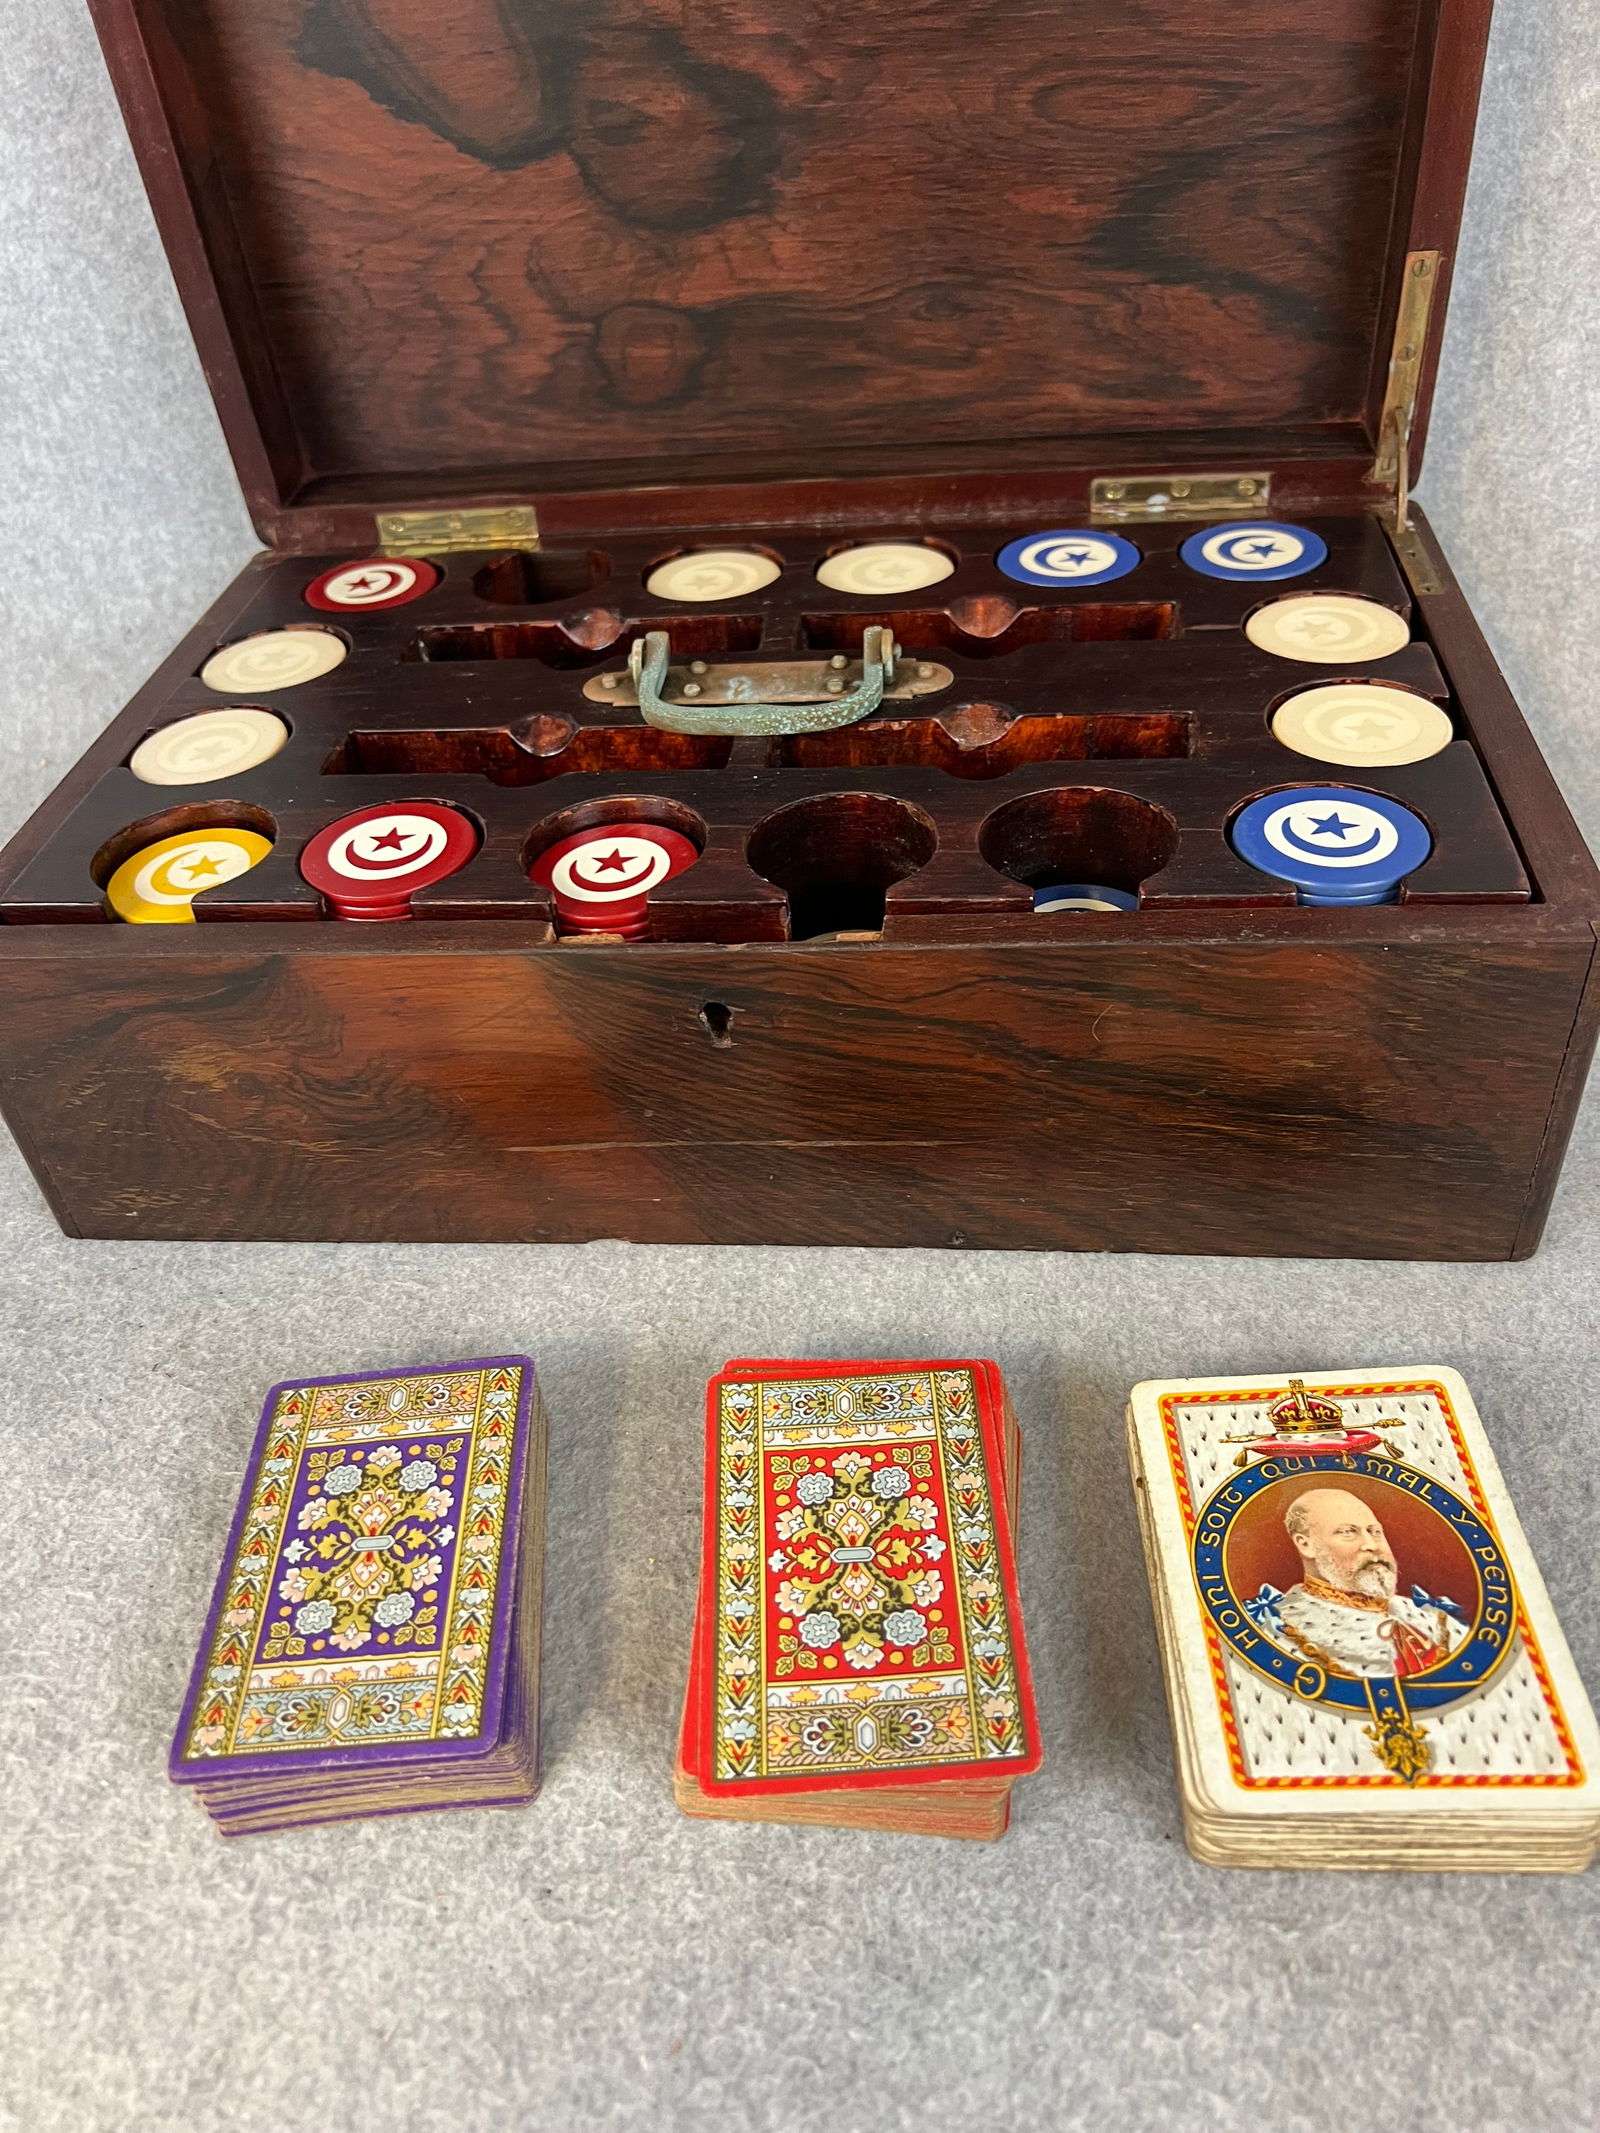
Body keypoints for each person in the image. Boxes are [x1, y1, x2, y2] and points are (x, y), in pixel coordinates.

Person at [1262, 1488, 1468, 1679]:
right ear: (1306, 1545)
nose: (1371, 1545)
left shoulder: (1434, 1620)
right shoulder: (1282, 1631)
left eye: (1375, 1532)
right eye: (1347, 1532)